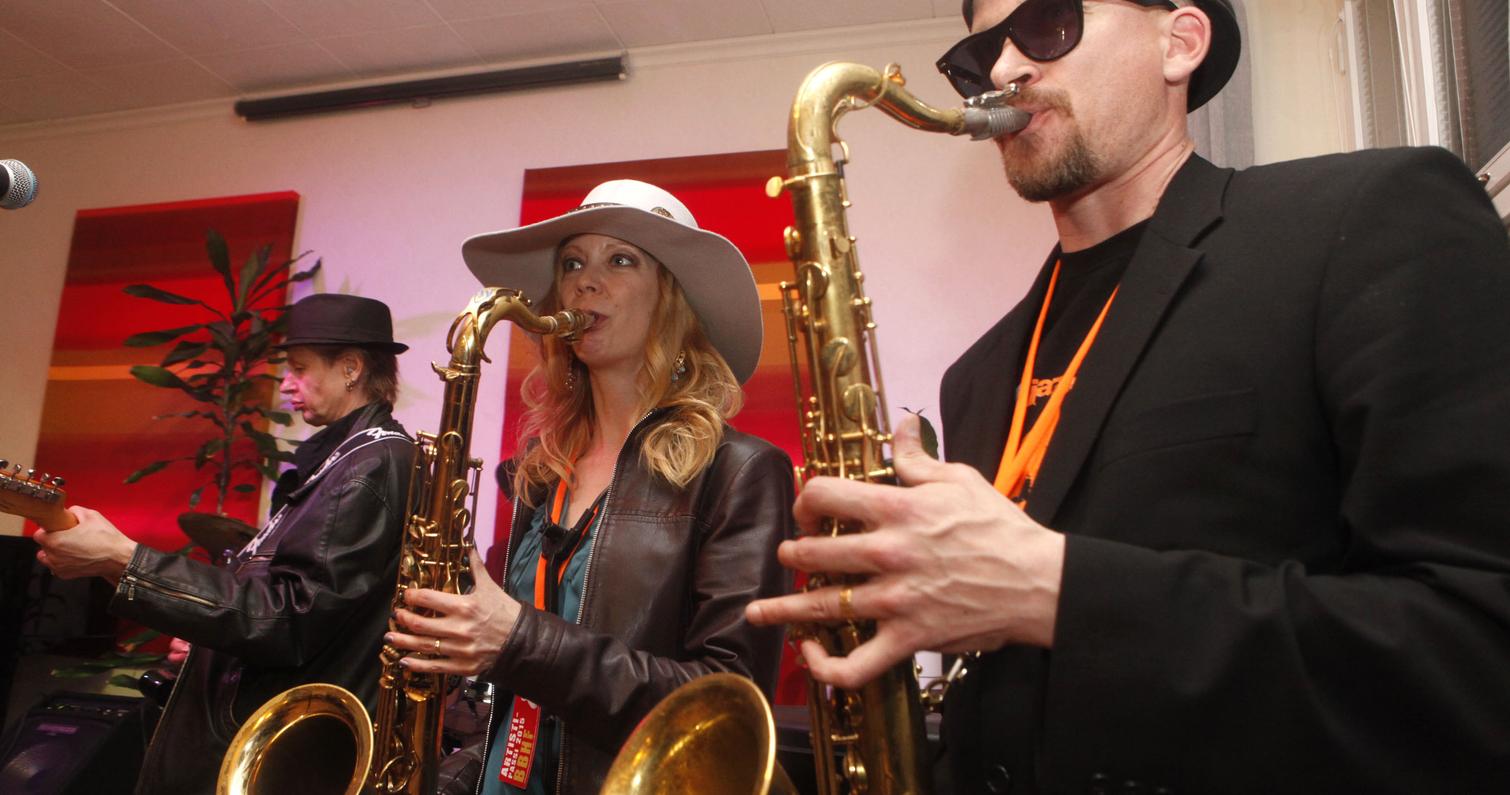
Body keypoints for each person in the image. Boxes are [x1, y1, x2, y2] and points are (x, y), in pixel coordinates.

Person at [746, 1, 1510, 792]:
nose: (1003, 70)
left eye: (1048, 24)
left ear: (1180, 42)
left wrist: (1057, 590)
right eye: (978, 56)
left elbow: (1480, 655)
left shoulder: (1369, 217)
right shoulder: (977, 374)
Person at [384, 179, 795, 794]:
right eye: (572, 263)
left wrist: (517, 639)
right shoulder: (542, 470)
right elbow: (519, 699)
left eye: (620, 260)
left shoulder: (742, 471)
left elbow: (725, 708)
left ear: (673, 299)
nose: (583, 282)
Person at [33, 293, 415, 794]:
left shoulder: (371, 464)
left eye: (299, 368)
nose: (286, 384)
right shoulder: (346, 459)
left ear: (350, 367)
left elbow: (289, 620)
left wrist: (124, 559)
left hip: (278, 752)